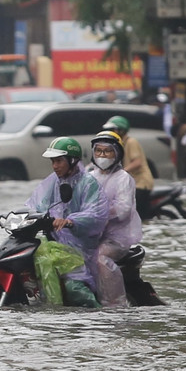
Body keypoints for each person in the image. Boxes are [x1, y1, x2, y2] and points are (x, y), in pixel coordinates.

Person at [25, 136, 108, 306]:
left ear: (72, 160)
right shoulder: (53, 181)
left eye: (59, 161)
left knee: (74, 290)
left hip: (80, 247)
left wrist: (71, 221)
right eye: (53, 162)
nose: (55, 166)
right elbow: (37, 205)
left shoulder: (88, 183)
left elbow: (96, 214)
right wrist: (13, 218)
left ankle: (98, 316)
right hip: (55, 243)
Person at [86, 130, 142, 307]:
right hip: (90, 235)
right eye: (98, 151)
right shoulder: (89, 177)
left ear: (117, 153)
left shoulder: (123, 178)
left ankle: (114, 304)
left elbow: (124, 210)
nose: (102, 155)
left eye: (107, 151)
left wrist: (99, 213)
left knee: (99, 258)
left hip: (116, 238)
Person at [103, 115, 155, 220]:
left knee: (139, 215)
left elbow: (137, 162)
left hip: (141, 183)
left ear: (121, 130)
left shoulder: (131, 142)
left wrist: (121, 172)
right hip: (131, 184)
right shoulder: (120, 144)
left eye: (113, 130)